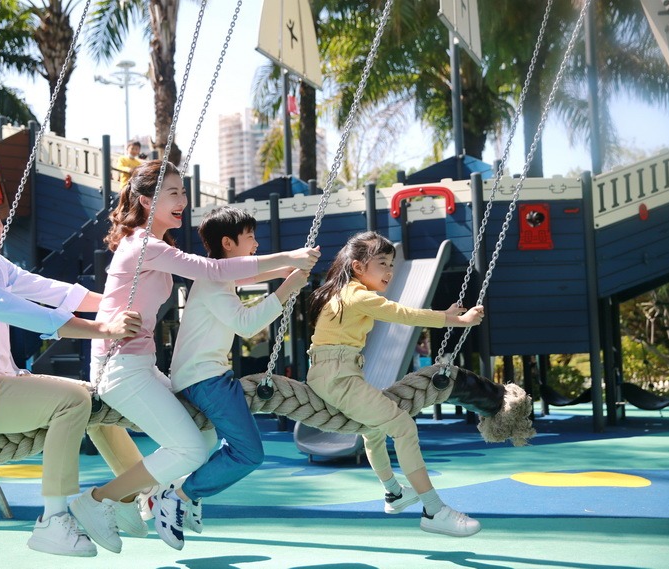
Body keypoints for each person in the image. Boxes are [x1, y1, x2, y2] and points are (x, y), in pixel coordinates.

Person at [69, 160, 320, 554]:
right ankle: (98, 500)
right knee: (189, 449)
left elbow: (223, 273)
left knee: (203, 436)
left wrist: (287, 271)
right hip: (119, 367)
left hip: (142, 365)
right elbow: (212, 270)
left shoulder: (158, 247)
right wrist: (289, 258)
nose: (182, 200)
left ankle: (147, 499)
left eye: (183, 192)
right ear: (146, 200)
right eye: (173, 192)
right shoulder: (143, 245)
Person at [0, 181, 143, 557]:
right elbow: (31, 314)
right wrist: (105, 328)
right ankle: (53, 521)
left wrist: (113, 304)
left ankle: (136, 494)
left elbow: (46, 289)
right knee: (73, 401)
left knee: (96, 397)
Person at [306, 231, 485, 537]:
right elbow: (402, 314)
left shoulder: (342, 292)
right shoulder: (357, 295)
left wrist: (446, 316)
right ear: (358, 267)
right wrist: (456, 320)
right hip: (337, 376)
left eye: (391, 264)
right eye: (382, 263)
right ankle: (434, 510)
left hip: (334, 373)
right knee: (403, 427)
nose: (389, 270)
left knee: (374, 430)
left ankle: (394, 492)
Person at [167, 205, 312, 535]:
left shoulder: (218, 278)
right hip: (204, 379)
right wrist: (287, 287)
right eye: (250, 237)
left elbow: (250, 274)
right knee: (248, 453)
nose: (256, 244)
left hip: (207, 377)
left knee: (231, 448)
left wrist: (287, 270)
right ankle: (180, 495)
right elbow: (246, 325)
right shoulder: (213, 281)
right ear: (228, 243)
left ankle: (186, 493)